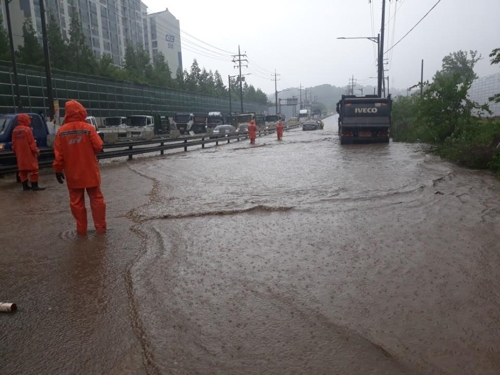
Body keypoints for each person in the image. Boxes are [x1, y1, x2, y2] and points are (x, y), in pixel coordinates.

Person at [53, 100, 106, 235]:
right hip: (90, 171)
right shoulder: (88, 128)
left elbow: (59, 156)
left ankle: (81, 230)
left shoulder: (61, 132)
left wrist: (58, 170)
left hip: (73, 173)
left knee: (76, 202)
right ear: (81, 111)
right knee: (96, 199)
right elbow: (99, 146)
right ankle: (100, 229)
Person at [12, 113, 45, 191]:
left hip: (20, 154)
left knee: (22, 171)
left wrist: (16, 152)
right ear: (25, 119)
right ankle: (34, 186)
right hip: (29, 154)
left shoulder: (15, 130)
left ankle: (25, 186)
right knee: (33, 170)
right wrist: (36, 151)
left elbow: (13, 144)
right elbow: (31, 142)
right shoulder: (27, 129)